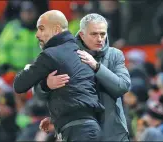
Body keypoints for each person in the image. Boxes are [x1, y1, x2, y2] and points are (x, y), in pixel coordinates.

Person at [13, 10, 105, 141]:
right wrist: (46, 86)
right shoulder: (83, 53)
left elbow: (19, 84)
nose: (37, 34)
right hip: (90, 129)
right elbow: (77, 97)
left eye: (41, 29)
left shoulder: (50, 55)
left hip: (78, 132)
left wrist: (28, 69)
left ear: (56, 30)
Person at [39, 13, 131, 141]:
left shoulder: (115, 55)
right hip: (80, 133)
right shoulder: (65, 55)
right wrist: (46, 84)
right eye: (94, 34)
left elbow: (122, 86)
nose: (99, 39)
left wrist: (97, 67)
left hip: (113, 134)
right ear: (82, 34)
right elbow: (39, 92)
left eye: (103, 34)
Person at [0, 1, 41, 71]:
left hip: (36, 72)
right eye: (25, 12)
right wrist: (4, 63)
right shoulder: (12, 27)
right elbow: (1, 47)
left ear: (35, 13)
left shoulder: (42, 28)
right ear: (21, 13)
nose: (28, 15)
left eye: (30, 12)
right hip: (13, 71)